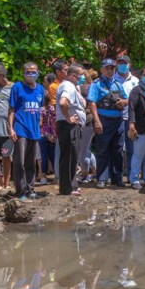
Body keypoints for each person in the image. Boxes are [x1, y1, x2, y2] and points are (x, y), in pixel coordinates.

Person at [88, 58, 128, 188]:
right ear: (102, 70)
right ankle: (102, 178)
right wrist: (97, 121)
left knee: (118, 150)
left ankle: (117, 178)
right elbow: (92, 103)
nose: (110, 70)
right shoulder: (96, 84)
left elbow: (127, 99)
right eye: (107, 68)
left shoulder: (118, 84)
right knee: (103, 149)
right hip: (103, 120)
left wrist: (123, 102)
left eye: (112, 68)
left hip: (118, 121)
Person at [8, 62, 45, 201]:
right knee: (19, 161)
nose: (30, 74)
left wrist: (40, 123)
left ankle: (30, 189)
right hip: (20, 128)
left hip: (34, 131)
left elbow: (40, 109)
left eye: (33, 71)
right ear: (23, 73)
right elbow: (11, 109)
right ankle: (20, 191)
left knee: (31, 161)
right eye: (28, 72)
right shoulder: (17, 87)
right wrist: (11, 128)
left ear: (37, 73)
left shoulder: (40, 89)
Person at [56, 65, 86, 196]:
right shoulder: (68, 86)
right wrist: (68, 119)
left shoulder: (70, 86)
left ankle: (72, 185)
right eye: (81, 75)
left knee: (73, 156)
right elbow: (63, 102)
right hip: (68, 126)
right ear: (73, 76)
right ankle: (66, 188)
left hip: (70, 126)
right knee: (68, 157)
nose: (83, 77)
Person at [114, 55, 139, 182]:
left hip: (131, 118)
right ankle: (117, 177)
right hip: (116, 118)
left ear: (129, 64)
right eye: (120, 63)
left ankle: (131, 176)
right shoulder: (112, 79)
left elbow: (138, 98)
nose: (122, 65)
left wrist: (125, 101)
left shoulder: (135, 80)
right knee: (117, 148)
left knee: (132, 149)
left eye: (125, 63)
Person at [0, 63, 14, 196]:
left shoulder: (13, 88)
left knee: (6, 157)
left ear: (0, 75)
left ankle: (6, 185)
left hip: (6, 130)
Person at [39, 73, 58, 184]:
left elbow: (40, 123)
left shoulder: (42, 109)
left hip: (43, 134)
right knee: (53, 155)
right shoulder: (54, 109)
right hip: (53, 134)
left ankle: (43, 177)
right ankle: (56, 175)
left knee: (43, 155)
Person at [78, 74, 97, 182]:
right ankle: (95, 172)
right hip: (91, 122)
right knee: (86, 148)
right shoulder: (92, 87)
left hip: (86, 122)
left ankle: (85, 175)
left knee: (82, 150)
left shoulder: (82, 88)